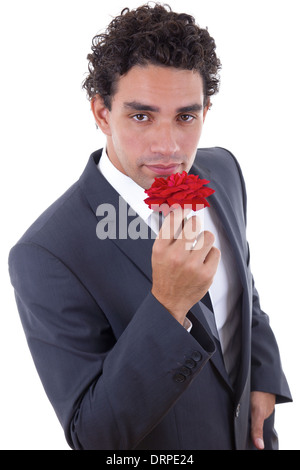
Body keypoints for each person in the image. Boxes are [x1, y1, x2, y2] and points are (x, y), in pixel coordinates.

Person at [8, 3, 291, 450]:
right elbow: (93, 435)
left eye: (186, 116)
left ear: (206, 109)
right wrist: (168, 303)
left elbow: (243, 292)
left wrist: (265, 376)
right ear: (102, 113)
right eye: (141, 116)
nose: (169, 146)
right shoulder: (46, 254)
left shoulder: (224, 170)